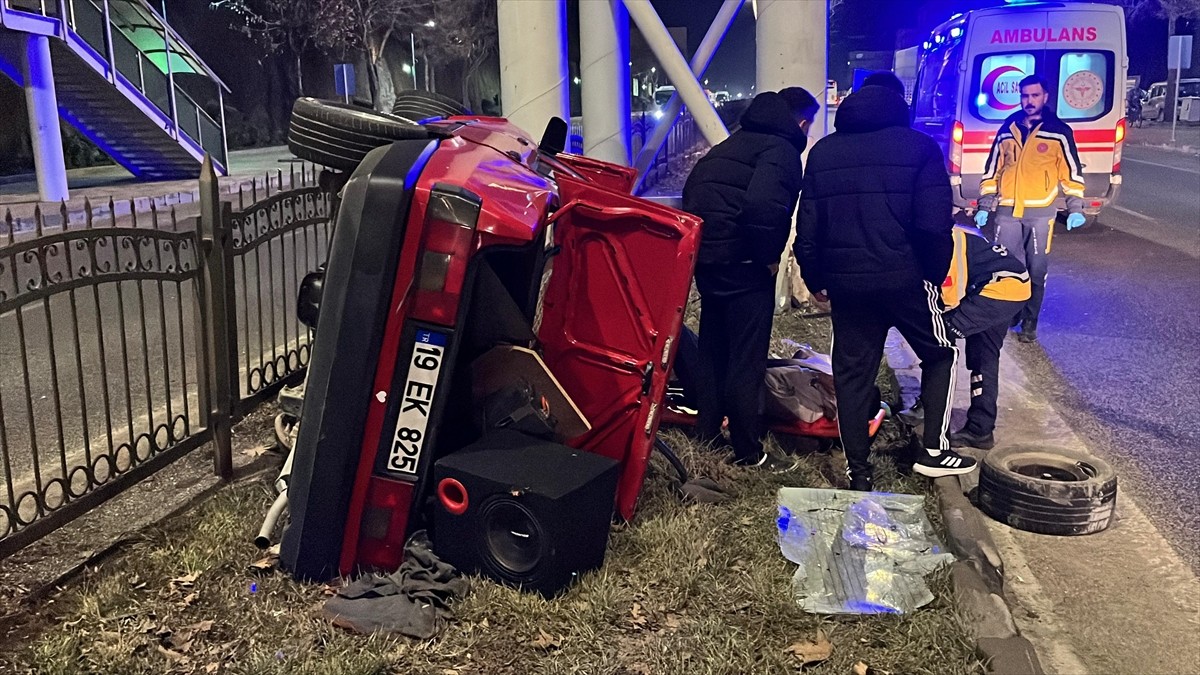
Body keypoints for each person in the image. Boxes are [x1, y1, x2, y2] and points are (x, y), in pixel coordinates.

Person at [795, 83, 977, 490]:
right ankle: (934, 451)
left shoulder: (824, 152)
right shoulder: (919, 148)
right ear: (900, 107)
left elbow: (808, 225)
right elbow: (934, 224)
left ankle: (858, 471)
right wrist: (933, 272)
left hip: (847, 284)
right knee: (940, 352)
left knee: (853, 372)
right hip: (905, 279)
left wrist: (815, 277)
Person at [682, 87, 819, 470]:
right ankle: (747, 449)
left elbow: (693, 191)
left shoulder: (728, 146)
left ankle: (707, 433)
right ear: (801, 122)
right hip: (744, 265)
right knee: (746, 357)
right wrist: (766, 258)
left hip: (708, 262)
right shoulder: (782, 152)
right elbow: (764, 206)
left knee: (713, 350)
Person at [974, 74, 1087, 343]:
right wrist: (985, 204)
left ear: (1045, 96)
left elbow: (1071, 172)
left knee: (1036, 270)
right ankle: (1006, 313)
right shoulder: (1007, 127)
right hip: (1007, 211)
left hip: (1040, 213)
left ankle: (1029, 321)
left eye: (1035, 95)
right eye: (1025, 96)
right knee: (1005, 266)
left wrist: (1076, 207)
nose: (1029, 101)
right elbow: (993, 169)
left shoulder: (1058, 131)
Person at [942, 223, 1032, 449]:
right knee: (983, 358)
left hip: (997, 291)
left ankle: (930, 408)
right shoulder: (953, 235)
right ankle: (981, 429)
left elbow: (948, 299)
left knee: (939, 341)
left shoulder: (947, 245)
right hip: (1013, 287)